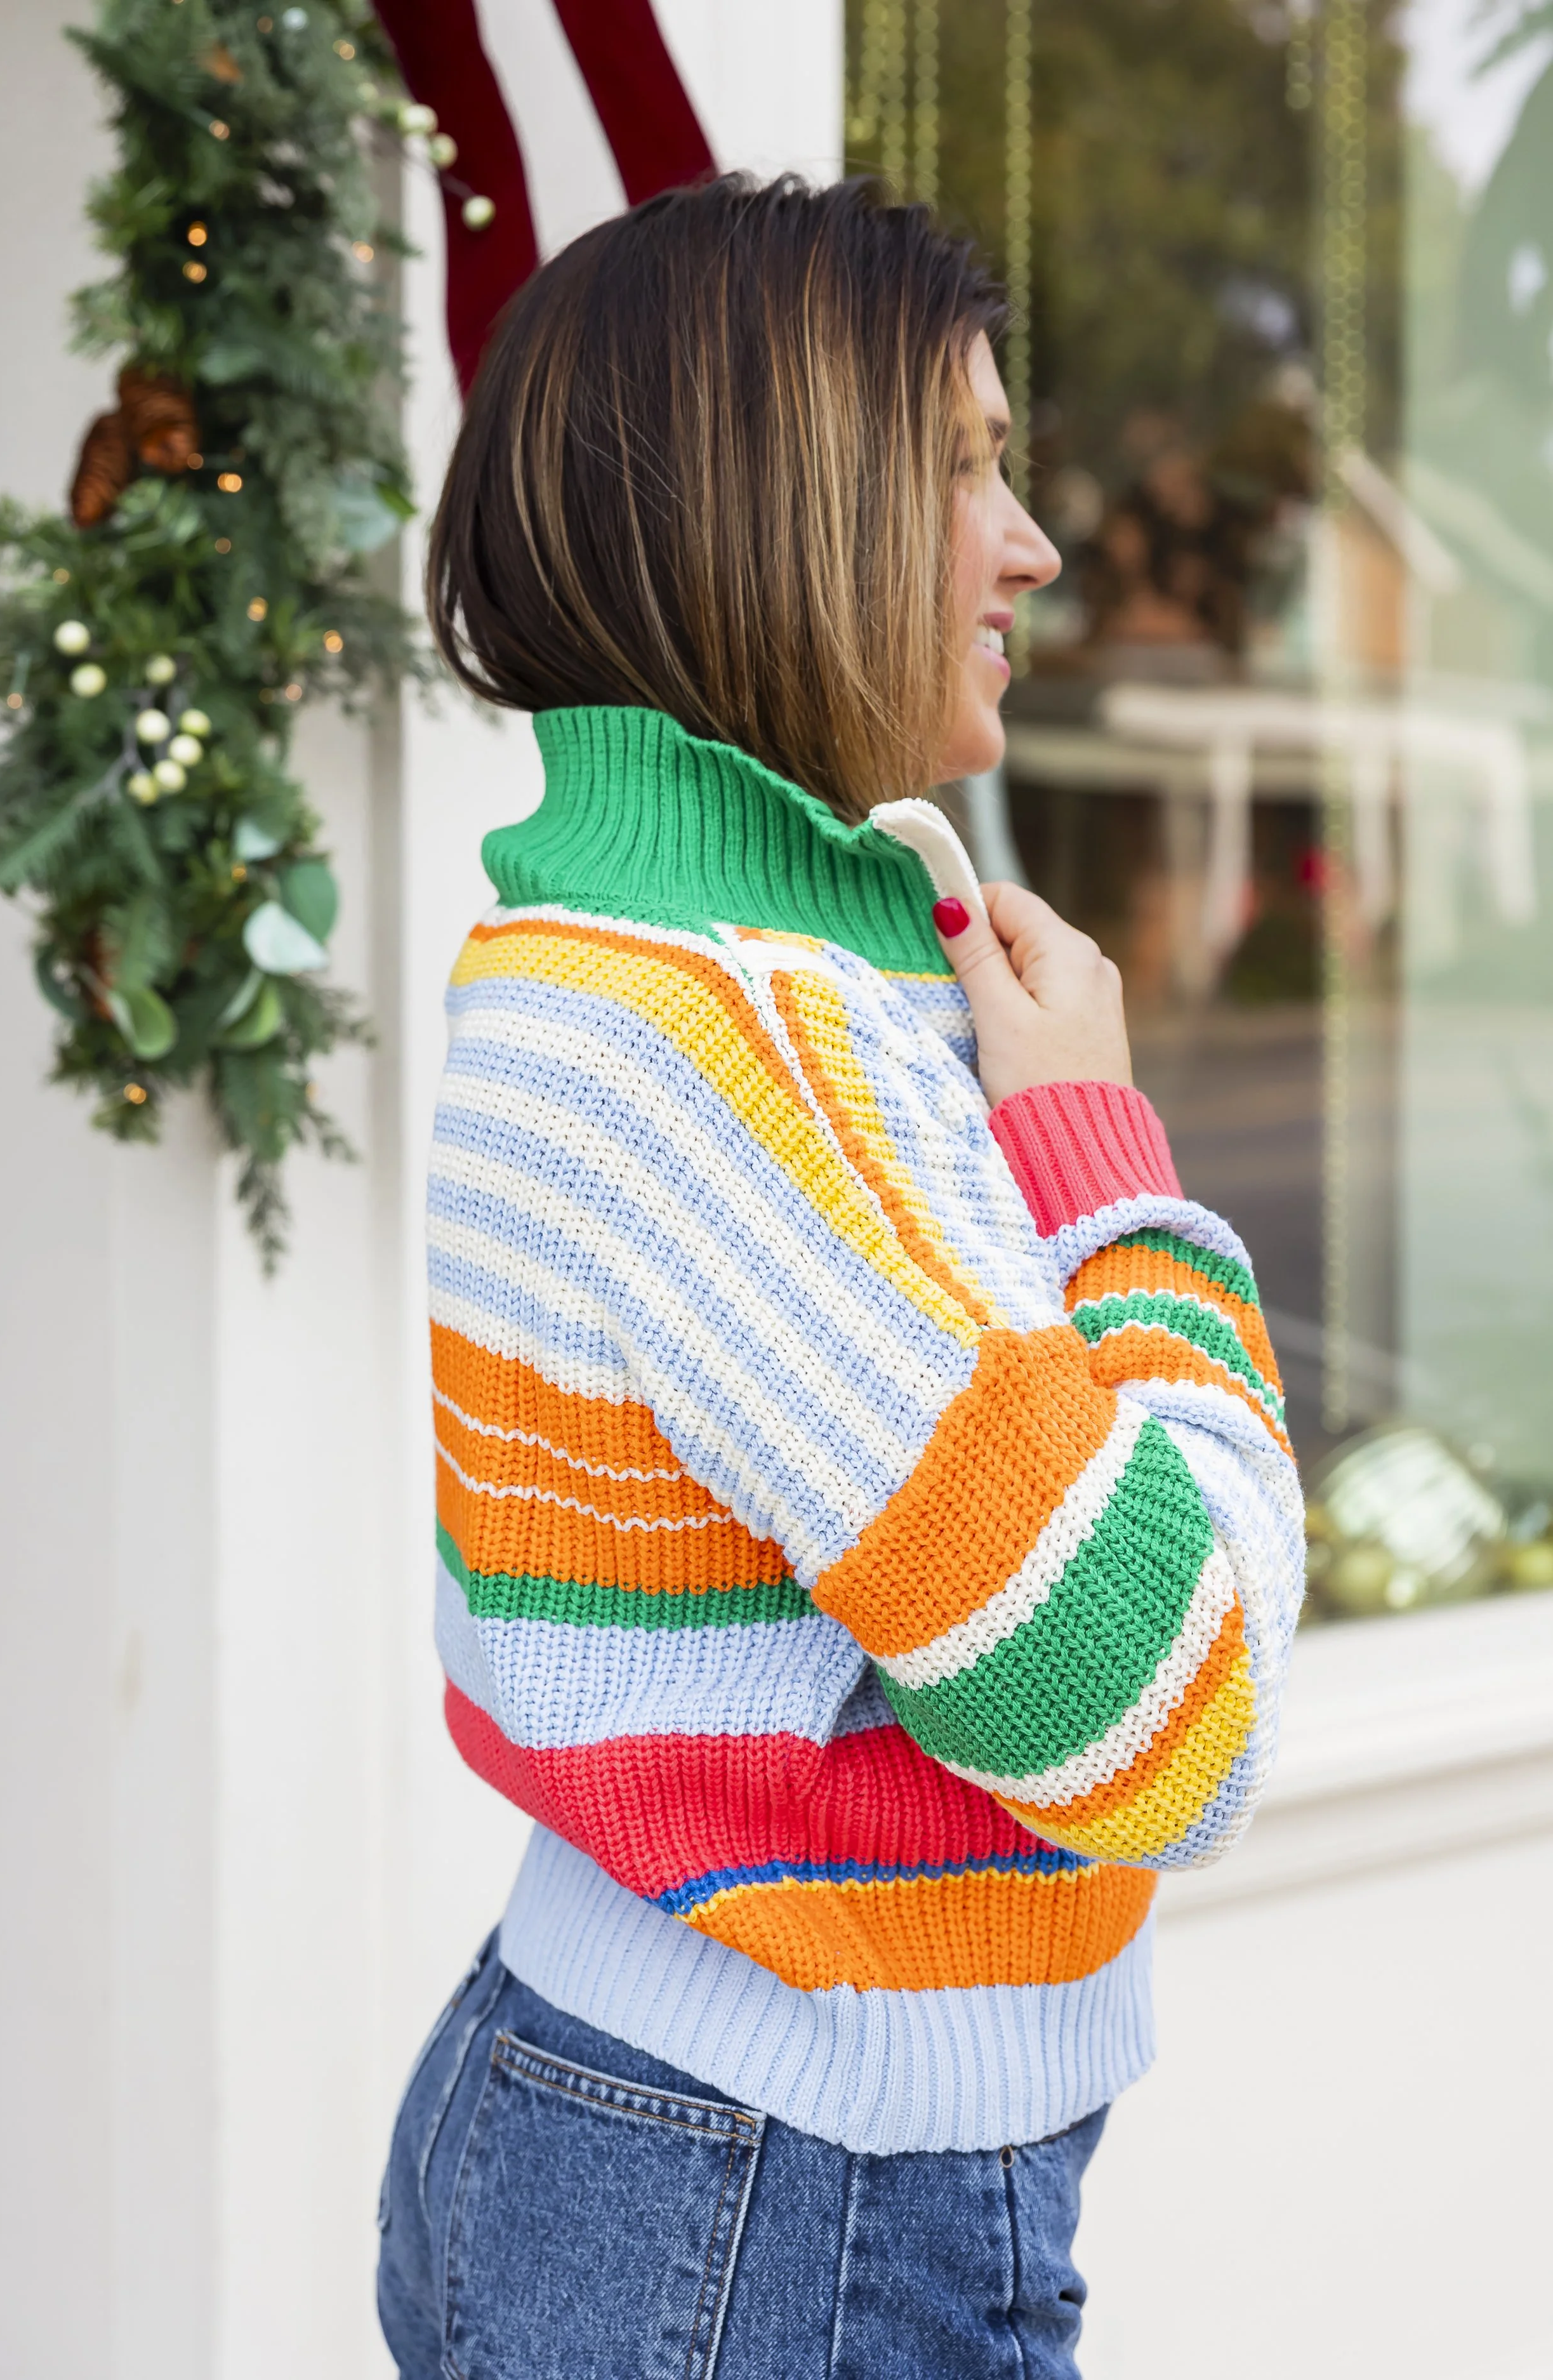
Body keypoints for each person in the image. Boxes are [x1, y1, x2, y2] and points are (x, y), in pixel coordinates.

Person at [376, 174, 1303, 2380]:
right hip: (774, 2214)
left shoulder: (674, 961)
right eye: (967, 470)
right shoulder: (720, 1039)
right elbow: (1172, 1708)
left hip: (689, 2153)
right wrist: (1101, 1155)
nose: (1034, 547)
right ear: (768, 508)